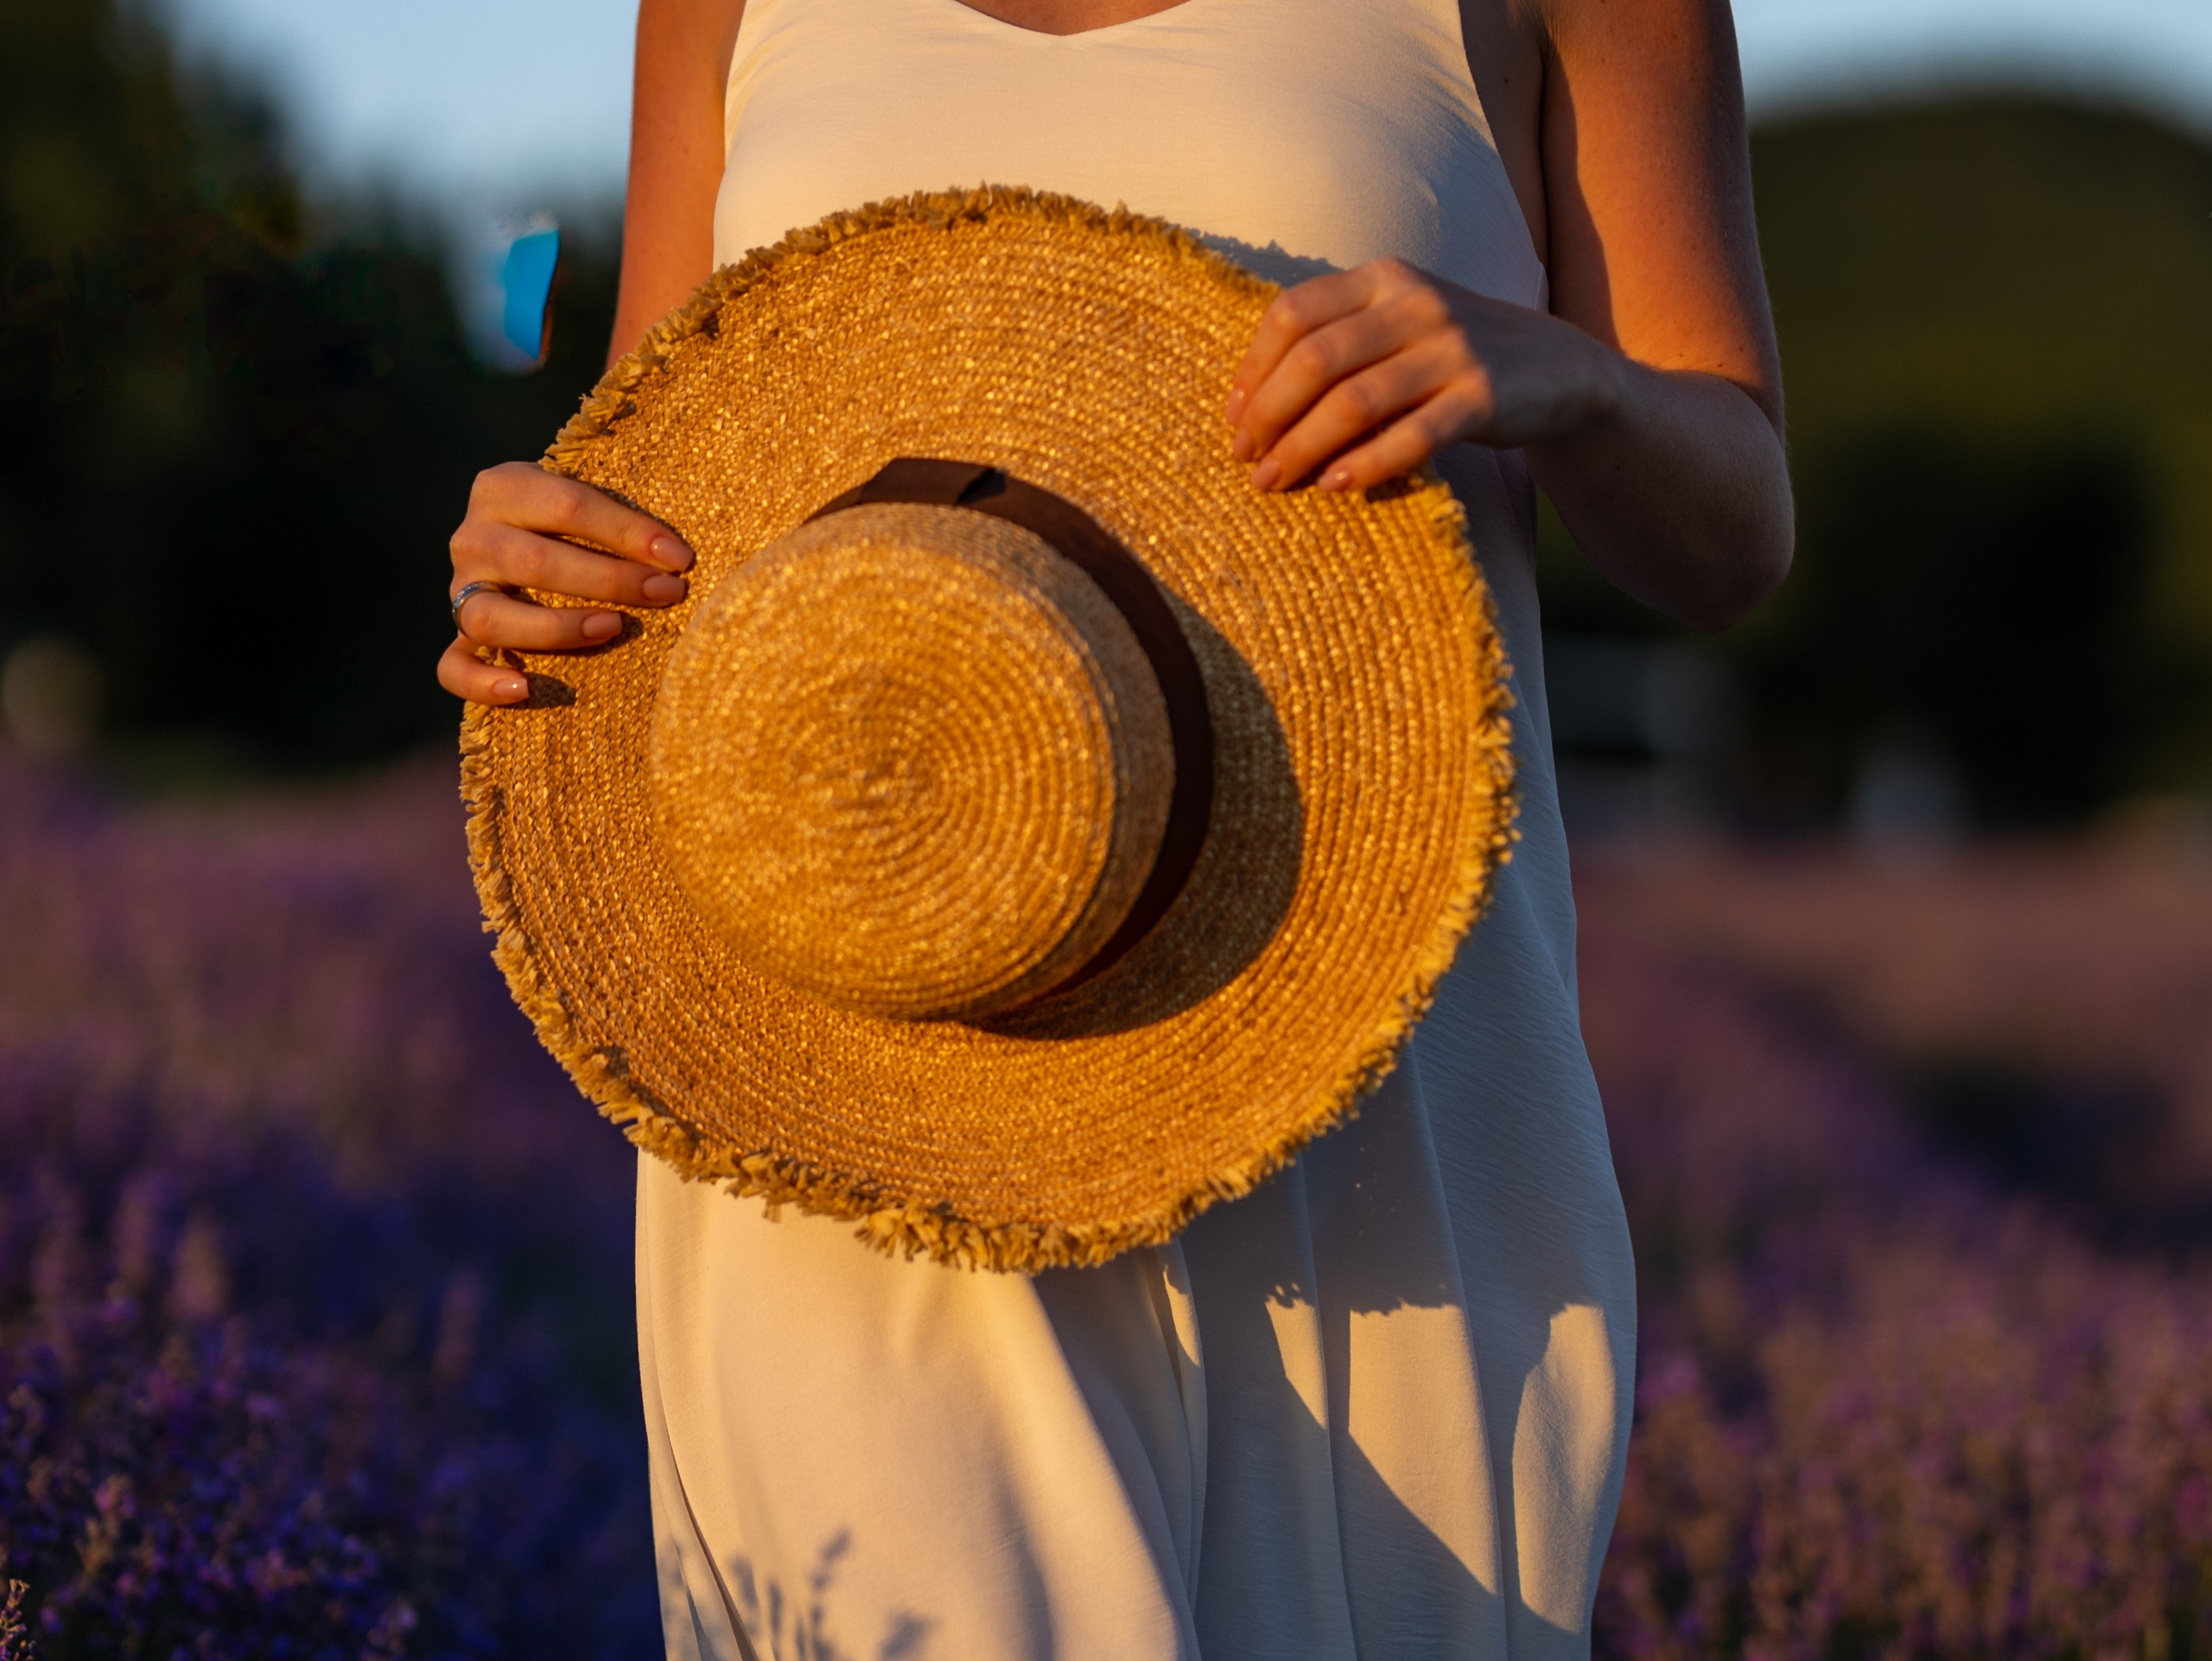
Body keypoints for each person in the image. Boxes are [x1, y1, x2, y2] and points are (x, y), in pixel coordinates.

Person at [442, 0, 1791, 1651]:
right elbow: (659, 464)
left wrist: (1575, 382)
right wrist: (540, 570)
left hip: (1352, 1069)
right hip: (855, 1075)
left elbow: (1734, 534)